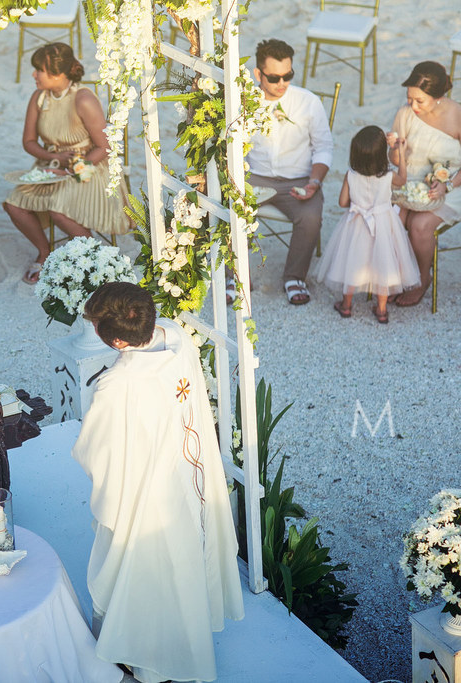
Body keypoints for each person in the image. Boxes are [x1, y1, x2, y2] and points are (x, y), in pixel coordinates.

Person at [72, 282, 243, 682]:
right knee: (180, 559)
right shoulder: (177, 338)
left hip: (144, 492)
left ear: (116, 340)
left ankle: (147, 659)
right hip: (188, 472)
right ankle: (186, 641)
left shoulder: (116, 385)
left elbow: (96, 450)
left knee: (146, 566)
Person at [4, 43, 130, 284]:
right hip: (50, 164)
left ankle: (94, 258)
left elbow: (105, 147)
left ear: (59, 74)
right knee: (14, 205)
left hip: (89, 165)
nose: (34, 75)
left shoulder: (83, 99)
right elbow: (28, 142)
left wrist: (72, 165)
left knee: (58, 208)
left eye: (38, 70)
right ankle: (44, 252)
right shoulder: (39, 97)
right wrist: (56, 159)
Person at [247, 39, 334, 306]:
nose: (282, 83)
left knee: (310, 217)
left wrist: (314, 183)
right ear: (258, 74)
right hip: (254, 177)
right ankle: (235, 276)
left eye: (288, 75)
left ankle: (294, 276)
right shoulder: (243, 100)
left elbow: (324, 148)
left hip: (297, 181)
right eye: (274, 78)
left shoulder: (308, 102)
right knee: (227, 206)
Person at [316, 126, 420, 323]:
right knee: (383, 262)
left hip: (356, 224)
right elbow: (403, 179)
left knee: (352, 261)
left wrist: (358, 203)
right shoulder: (388, 176)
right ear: (382, 155)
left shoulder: (351, 175)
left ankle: (346, 305)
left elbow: (342, 203)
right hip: (383, 224)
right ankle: (381, 309)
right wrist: (400, 153)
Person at [389, 61, 461, 307]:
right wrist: (396, 149)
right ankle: (393, 276)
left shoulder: (457, 115)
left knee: (419, 225)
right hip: (409, 181)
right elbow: (395, 161)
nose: (413, 105)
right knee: (391, 217)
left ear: (438, 95)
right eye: (410, 98)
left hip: (451, 184)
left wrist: (447, 185)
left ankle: (421, 278)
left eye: (420, 100)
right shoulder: (404, 114)